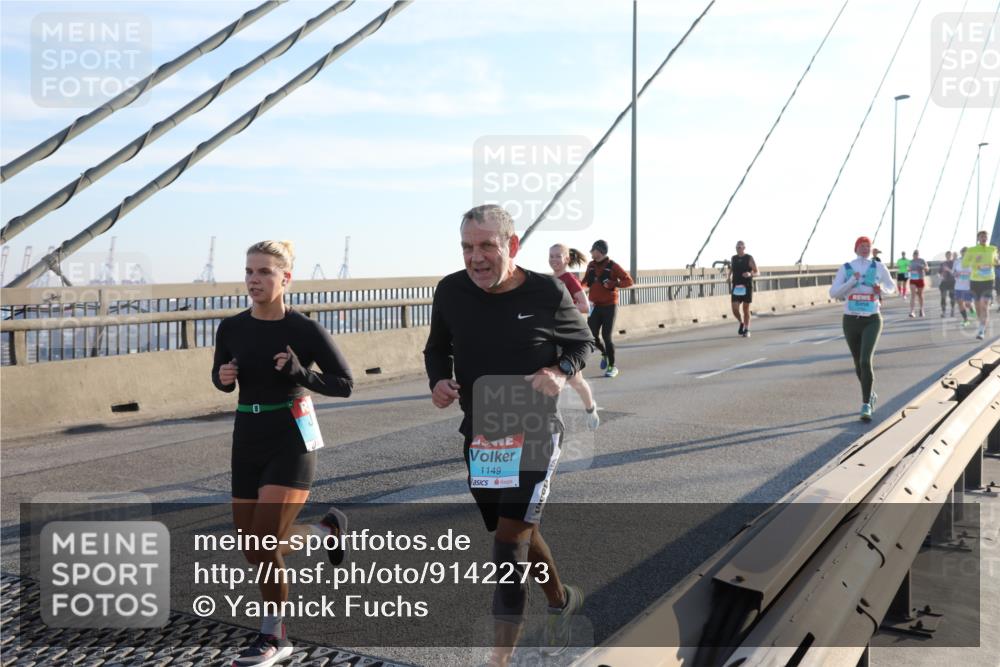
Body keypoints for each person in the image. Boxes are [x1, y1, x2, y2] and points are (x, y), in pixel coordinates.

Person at [424, 205, 592, 664]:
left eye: (486, 246)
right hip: (481, 434)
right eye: (466, 247)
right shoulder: (451, 290)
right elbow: (437, 347)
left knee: (507, 550)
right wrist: (438, 380)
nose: (475, 257)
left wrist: (561, 370)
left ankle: (500, 660)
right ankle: (561, 601)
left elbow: (582, 343)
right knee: (511, 531)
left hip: (535, 430)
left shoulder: (546, 291)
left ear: (512, 246)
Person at [212, 240, 354, 667]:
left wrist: (301, 373)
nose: (254, 280)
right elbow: (222, 379)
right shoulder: (232, 327)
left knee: (263, 539)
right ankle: (326, 531)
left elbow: (344, 383)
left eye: (264, 273)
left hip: (290, 435)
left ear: (285, 278)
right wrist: (222, 377)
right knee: (253, 545)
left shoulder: (304, 330)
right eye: (249, 272)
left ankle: (274, 635)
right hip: (247, 434)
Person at [829, 236, 896, 422]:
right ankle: (871, 393)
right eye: (862, 246)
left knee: (866, 360)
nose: (865, 248)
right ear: (856, 248)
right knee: (858, 363)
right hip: (850, 320)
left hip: (872, 319)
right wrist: (851, 282)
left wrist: (880, 289)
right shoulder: (846, 268)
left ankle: (866, 403)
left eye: (868, 246)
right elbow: (834, 293)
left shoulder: (878, 267)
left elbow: (892, 287)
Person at [549, 243, 600, 429]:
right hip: (552, 337)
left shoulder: (569, 279)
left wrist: (564, 309)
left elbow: (585, 306)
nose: (553, 259)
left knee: (576, 381)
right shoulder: (550, 280)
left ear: (566, 259)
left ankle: (590, 408)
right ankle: (550, 422)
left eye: (557, 256)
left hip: (569, 337)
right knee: (547, 377)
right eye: (551, 256)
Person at [581, 239, 634, 378]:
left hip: (610, 306)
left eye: (593, 250)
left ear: (600, 251)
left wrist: (614, 283)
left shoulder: (613, 266)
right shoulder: (591, 265)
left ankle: (612, 367)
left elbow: (629, 281)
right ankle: (604, 353)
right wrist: (576, 289)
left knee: (606, 336)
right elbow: (585, 282)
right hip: (594, 306)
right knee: (591, 336)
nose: (591, 252)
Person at [962, 230, 999, 340]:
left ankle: (981, 330)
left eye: (985, 237)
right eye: (982, 236)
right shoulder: (972, 250)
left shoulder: (992, 249)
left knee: (985, 304)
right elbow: (964, 264)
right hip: (975, 281)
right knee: (978, 307)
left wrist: (996, 261)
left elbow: (997, 262)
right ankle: (982, 324)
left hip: (988, 280)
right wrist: (974, 260)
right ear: (978, 238)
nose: (984, 238)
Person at [728, 241, 759, 337]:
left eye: (740, 247)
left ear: (744, 248)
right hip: (736, 286)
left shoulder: (749, 258)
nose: (738, 249)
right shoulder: (733, 258)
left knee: (746, 309)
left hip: (746, 286)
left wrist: (750, 274)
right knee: (734, 309)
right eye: (737, 247)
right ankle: (741, 322)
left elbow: (757, 272)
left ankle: (746, 329)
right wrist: (728, 277)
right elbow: (732, 269)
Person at [954, 247, 974, 328]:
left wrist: (969, 274)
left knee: (967, 303)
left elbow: (975, 272)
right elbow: (953, 272)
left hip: (968, 286)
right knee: (960, 303)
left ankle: (972, 309)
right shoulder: (957, 262)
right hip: (958, 286)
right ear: (961, 253)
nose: (964, 254)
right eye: (963, 252)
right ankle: (966, 320)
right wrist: (956, 274)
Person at [907, 249, 928, 318]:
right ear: (913, 255)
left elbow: (927, 268)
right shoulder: (911, 262)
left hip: (920, 279)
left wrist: (923, 267)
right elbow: (908, 269)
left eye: (916, 254)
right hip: (913, 279)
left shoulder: (922, 260)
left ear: (918, 255)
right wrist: (909, 270)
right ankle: (912, 311)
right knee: (913, 294)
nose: (915, 255)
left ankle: (921, 309)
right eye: (914, 254)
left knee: (920, 295)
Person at [938, 250, 956, 317]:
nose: (948, 256)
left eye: (950, 255)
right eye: (947, 255)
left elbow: (955, 272)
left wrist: (948, 270)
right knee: (943, 297)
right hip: (944, 282)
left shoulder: (954, 263)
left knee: (952, 297)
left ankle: (952, 310)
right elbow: (939, 272)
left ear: (951, 256)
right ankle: (943, 312)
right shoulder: (943, 263)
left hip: (952, 282)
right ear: (945, 256)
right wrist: (940, 276)